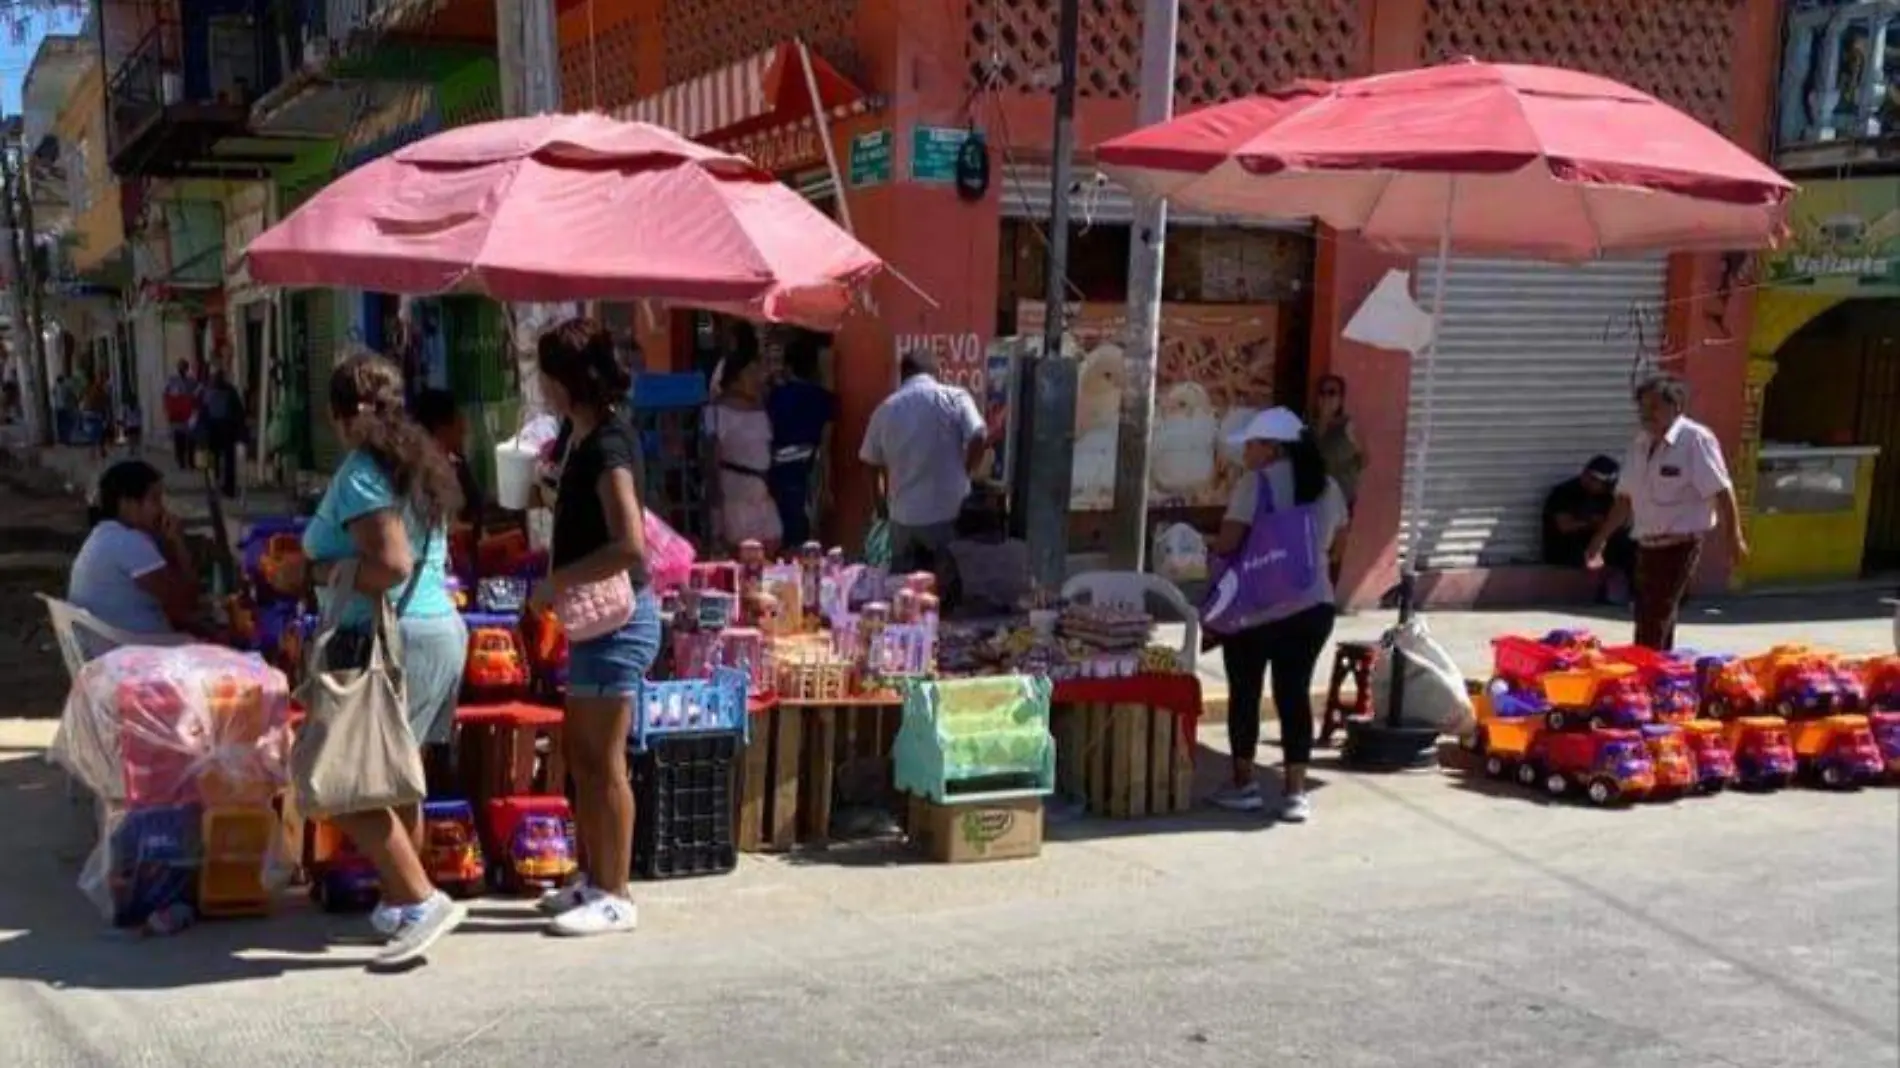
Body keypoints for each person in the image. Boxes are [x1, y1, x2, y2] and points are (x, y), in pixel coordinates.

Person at [300, 351, 469, 967]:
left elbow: (391, 564)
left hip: (385, 639)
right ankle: (403, 902)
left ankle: (420, 901)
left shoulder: (363, 473)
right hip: (433, 632)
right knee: (395, 776)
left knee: (345, 781)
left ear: (339, 416)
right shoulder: (417, 462)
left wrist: (319, 569)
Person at [530, 318, 659, 937]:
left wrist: (558, 582)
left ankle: (617, 892)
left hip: (619, 621)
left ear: (564, 380)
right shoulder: (577, 437)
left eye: (545, 373)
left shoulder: (609, 444)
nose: (540, 384)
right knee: (581, 756)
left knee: (605, 761)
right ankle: (591, 876)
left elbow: (630, 545)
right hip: (592, 624)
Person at [1205, 407, 1348, 823]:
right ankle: (1295, 793)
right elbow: (1339, 546)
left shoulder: (1255, 484)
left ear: (1273, 448)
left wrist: (1210, 548)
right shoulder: (1329, 486)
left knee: (1246, 694)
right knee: (1294, 694)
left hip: (1256, 610)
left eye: (1251, 444)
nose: (1246, 452)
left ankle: (1243, 784)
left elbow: (1231, 540)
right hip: (1313, 606)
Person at [1587, 374, 1748, 651]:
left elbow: (1722, 490)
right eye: (1643, 408)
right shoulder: (1640, 443)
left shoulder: (1695, 439)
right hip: (1646, 543)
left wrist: (1734, 538)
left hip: (1681, 543)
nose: (1647, 415)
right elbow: (1625, 498)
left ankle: (1647, 670)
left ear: (1676, 407)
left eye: (1654, 407)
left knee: (1656, 613)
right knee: (1648, 611)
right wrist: (1600, 539)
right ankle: (1657, 668)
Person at [860, 349, 987, 580]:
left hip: (902, 518)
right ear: (936, 372)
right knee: (948, 587)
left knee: (904, 588)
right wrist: (965, 471)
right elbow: (979, 435)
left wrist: (880, 505)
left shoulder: (885, 409)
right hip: (947, 513)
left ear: (903, 375)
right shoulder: (955, 398)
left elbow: (869, 462)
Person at [67, 460, 202, 656]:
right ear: (127, 504)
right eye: (154, 500)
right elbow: (187, 604)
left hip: (107, 647)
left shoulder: (105, 535)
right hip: (135, 653)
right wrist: (178, 543)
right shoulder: (129, 542)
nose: (161, 509)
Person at [766, 330, 837, 546]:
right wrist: (827, 485)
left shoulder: (775, 396)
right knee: (807, 538)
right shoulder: (825, 399)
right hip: (809, 473)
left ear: (788, 367)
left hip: (778, 472)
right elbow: (827, 445)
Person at [709, 347, 783, 553]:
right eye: (752, 373)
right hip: (734, 495)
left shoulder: (760, 410)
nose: (759, 379)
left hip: (760, 494)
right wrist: (716, 511)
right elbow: (711, 462)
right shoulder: (717, 413)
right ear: (736, 378)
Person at [1543, 454, 1635, 600]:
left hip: (1598, 542)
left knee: (1631, 546)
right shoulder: (1564, 493)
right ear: (1587, 476)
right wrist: (1590, 523)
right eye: (1601, 483)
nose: (1605, 488)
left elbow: (1625, 520)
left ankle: (1636, 593)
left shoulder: (1608, 495)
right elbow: (1564, 526)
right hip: (1568, 546)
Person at [412, 389, 485, 530]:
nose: (465, 428)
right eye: (459, 422)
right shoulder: (427, 472)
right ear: (442, 428)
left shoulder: (456, 464)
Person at [199, 368, 247, 499]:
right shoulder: (228, 390)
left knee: (216, 459)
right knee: (226, 460)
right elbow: (238, 412)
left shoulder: (207, 391)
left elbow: (202, 412)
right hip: (225, 429)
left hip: (215, 430)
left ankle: (217, 483)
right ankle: (226, 486)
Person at [163, 362, 200, 471]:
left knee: (191, 440)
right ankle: (181, 461)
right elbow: (167, 396)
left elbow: (197, 394)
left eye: (184, 368)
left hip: (189, 415)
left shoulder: (192, 382)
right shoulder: (172, 381)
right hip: (177, 415)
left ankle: (191, 461)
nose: (182, 370)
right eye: (180, 367)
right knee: (180, 440)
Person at [53, 375, 77, 445]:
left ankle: (61, 438)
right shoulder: (67, 387)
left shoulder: (55, 387)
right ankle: (67, 439)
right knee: (67, 424)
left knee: (60, 424)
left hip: (58, 408)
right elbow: (72, 396)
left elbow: (54, 395)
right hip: (66, 408)